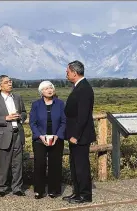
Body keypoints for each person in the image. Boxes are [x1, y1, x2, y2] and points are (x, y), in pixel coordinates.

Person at [0, 75, 27, 197]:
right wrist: (6, 118)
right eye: (6, 82)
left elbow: (24, 113)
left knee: (18, 163)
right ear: (0, 86)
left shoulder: (18, 98)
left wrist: (21, 116)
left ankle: (17, 188)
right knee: (3, 164)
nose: (10, 83)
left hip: (17, 134)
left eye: (10, 81)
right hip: (3, 136)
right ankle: (2, 188)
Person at [62, 60, 96, 204]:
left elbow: (83, 116)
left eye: (67, 72)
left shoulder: (84, 89)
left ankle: (85, 195)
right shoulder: (79, 87)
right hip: (74, 135)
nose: (66, 74)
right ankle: (76, 192)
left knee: (81, 166)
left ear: (74, 73)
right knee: (75, 165)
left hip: (80, 136)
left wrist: (76, 135)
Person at [29, 81, 66, 199]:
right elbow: (32, 123)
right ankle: (39, 190)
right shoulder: (36, 105)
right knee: (39, 164)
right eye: (46, 88)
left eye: (51, 87)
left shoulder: (60, 104)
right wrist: (40, 136)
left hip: (56, 139)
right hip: (40, 140)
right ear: (41, 92)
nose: (49, 90)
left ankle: (53, 189)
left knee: (55, 164)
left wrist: (58, 135)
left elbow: (64, 122)